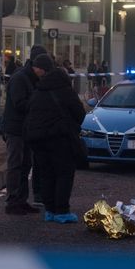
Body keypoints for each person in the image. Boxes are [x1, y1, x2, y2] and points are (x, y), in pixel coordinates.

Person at [24, 54, 86, 224]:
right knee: (64, 174)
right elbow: (80, 114)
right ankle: (62, 211)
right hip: (60, 139)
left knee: (46, 174)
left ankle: (49, 210)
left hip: (38, 140)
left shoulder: (38, 91)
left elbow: (30, 113)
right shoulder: (66, 91)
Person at [1, 45, 47, 215]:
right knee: (15, 164)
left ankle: (21, 200)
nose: (44, 72)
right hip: (15, 129)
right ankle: (12, 201)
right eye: (43, 69)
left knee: (26, 164)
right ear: (36, 65)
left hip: (26, 129)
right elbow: (19, 104)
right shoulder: (20, 78)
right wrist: (38, 103)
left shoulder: (31, 78)